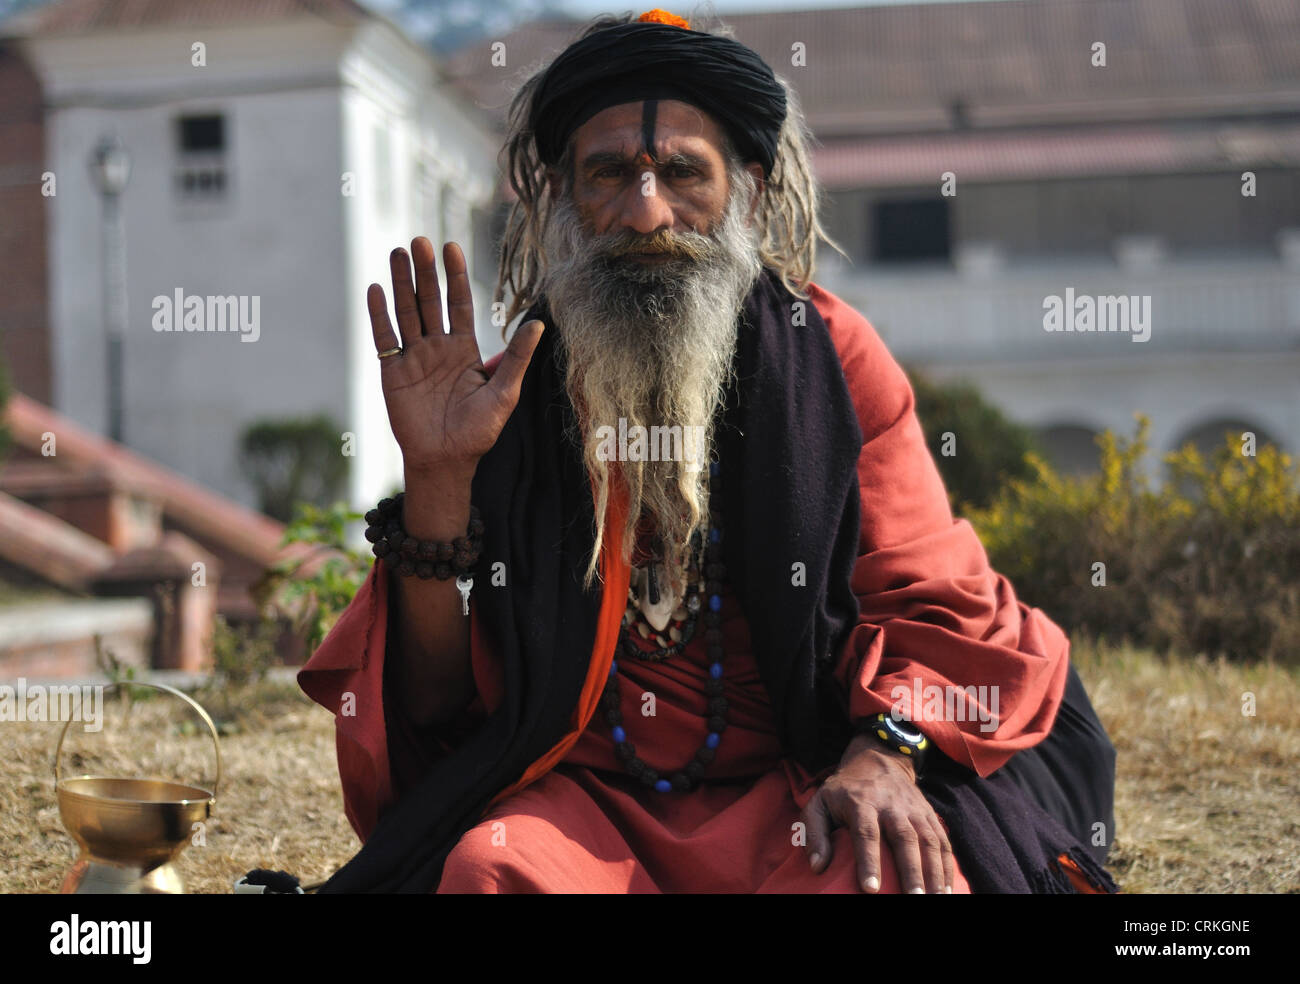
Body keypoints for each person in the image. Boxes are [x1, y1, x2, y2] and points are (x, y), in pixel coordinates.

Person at [298, 8, 1117, 894]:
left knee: (890, 877)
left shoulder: (835, 363)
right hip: (588, 807)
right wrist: (438, 477)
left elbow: (937, 606)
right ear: (562, 200)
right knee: (488, 871)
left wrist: (884, 758)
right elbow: (430, 707)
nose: (646, 214)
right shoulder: (508, 399)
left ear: (749, 192)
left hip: (799, 791)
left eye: (684, 173)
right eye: (608, 173)